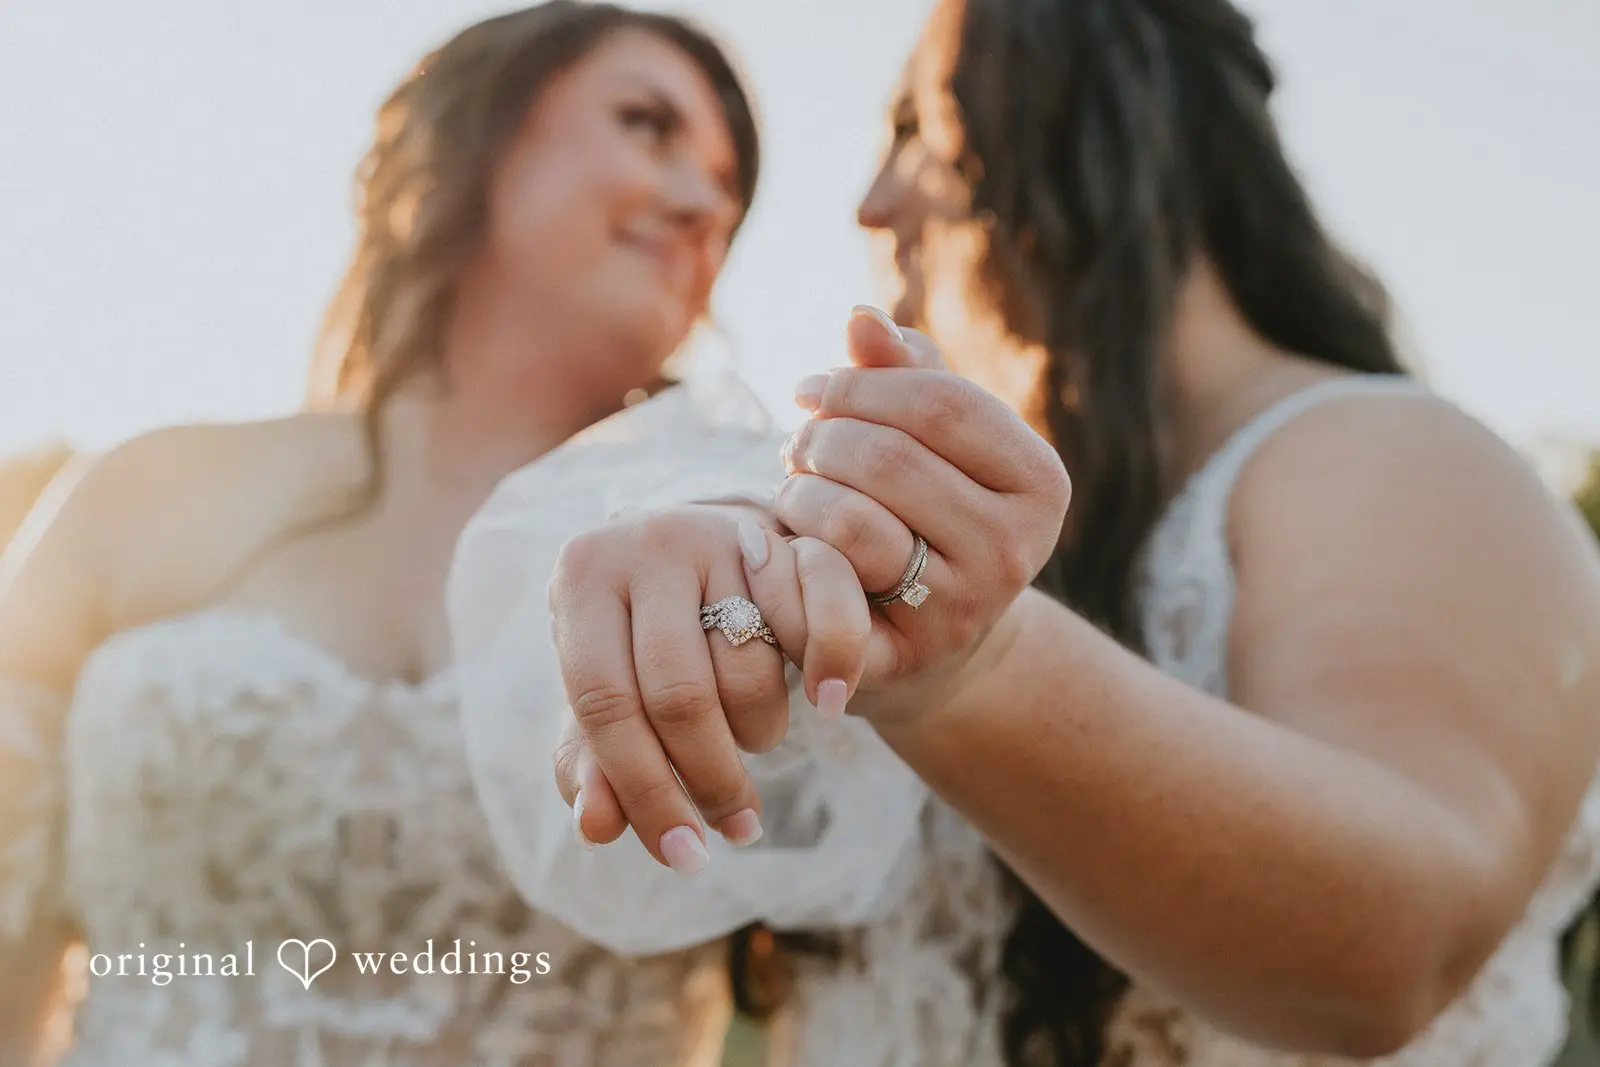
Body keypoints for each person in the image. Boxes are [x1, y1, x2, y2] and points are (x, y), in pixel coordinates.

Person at [449, 0, 1600, 1064]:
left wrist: (971, 667)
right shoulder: (983, 526)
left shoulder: (1400, 460)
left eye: (917, 125)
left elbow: (1392, 953)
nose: (871, 203)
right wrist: (747, 567)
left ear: (1098, 123)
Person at [0, 3, 809, 1063]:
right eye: (649, 126)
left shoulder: (739, 548)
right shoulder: (145, 488)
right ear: (472, 130)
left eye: (728, 185)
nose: (705, 199)